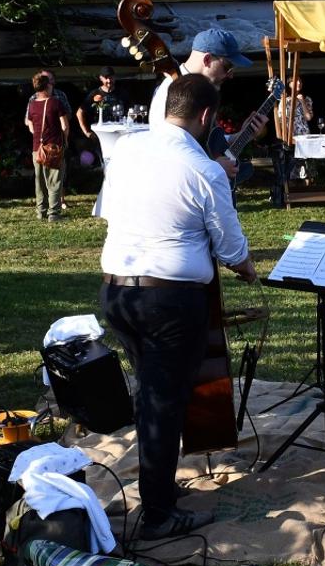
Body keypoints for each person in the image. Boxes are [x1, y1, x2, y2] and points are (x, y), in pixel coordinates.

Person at [100, 73, 258, 540]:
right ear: (207, 117)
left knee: (154, 396)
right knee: (163, 403)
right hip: (168, 300)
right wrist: (247, 269)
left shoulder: (126, 150)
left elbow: (112, 210)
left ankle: (159, 489)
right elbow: (231, 249)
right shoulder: (205, 170)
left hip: (116, 292)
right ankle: (158, 514)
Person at [149, 28, 249, 180]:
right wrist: (214, 167)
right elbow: (167, 152)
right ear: (207, 60)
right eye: (227, 67)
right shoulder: (170, 91)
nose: (231, 75)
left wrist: (241, 135)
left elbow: (207, 143)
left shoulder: (202, 91)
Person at [26, 71, 70, 220]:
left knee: (39, 182)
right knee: (54, 181)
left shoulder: (32, 105)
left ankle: (41, 212)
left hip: (37, 148)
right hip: (54, 147)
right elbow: (64, 125)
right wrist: (65, 140)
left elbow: (30, 125)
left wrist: (38, 136)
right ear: (47, 86)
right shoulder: (55, 102)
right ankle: (54, 214)